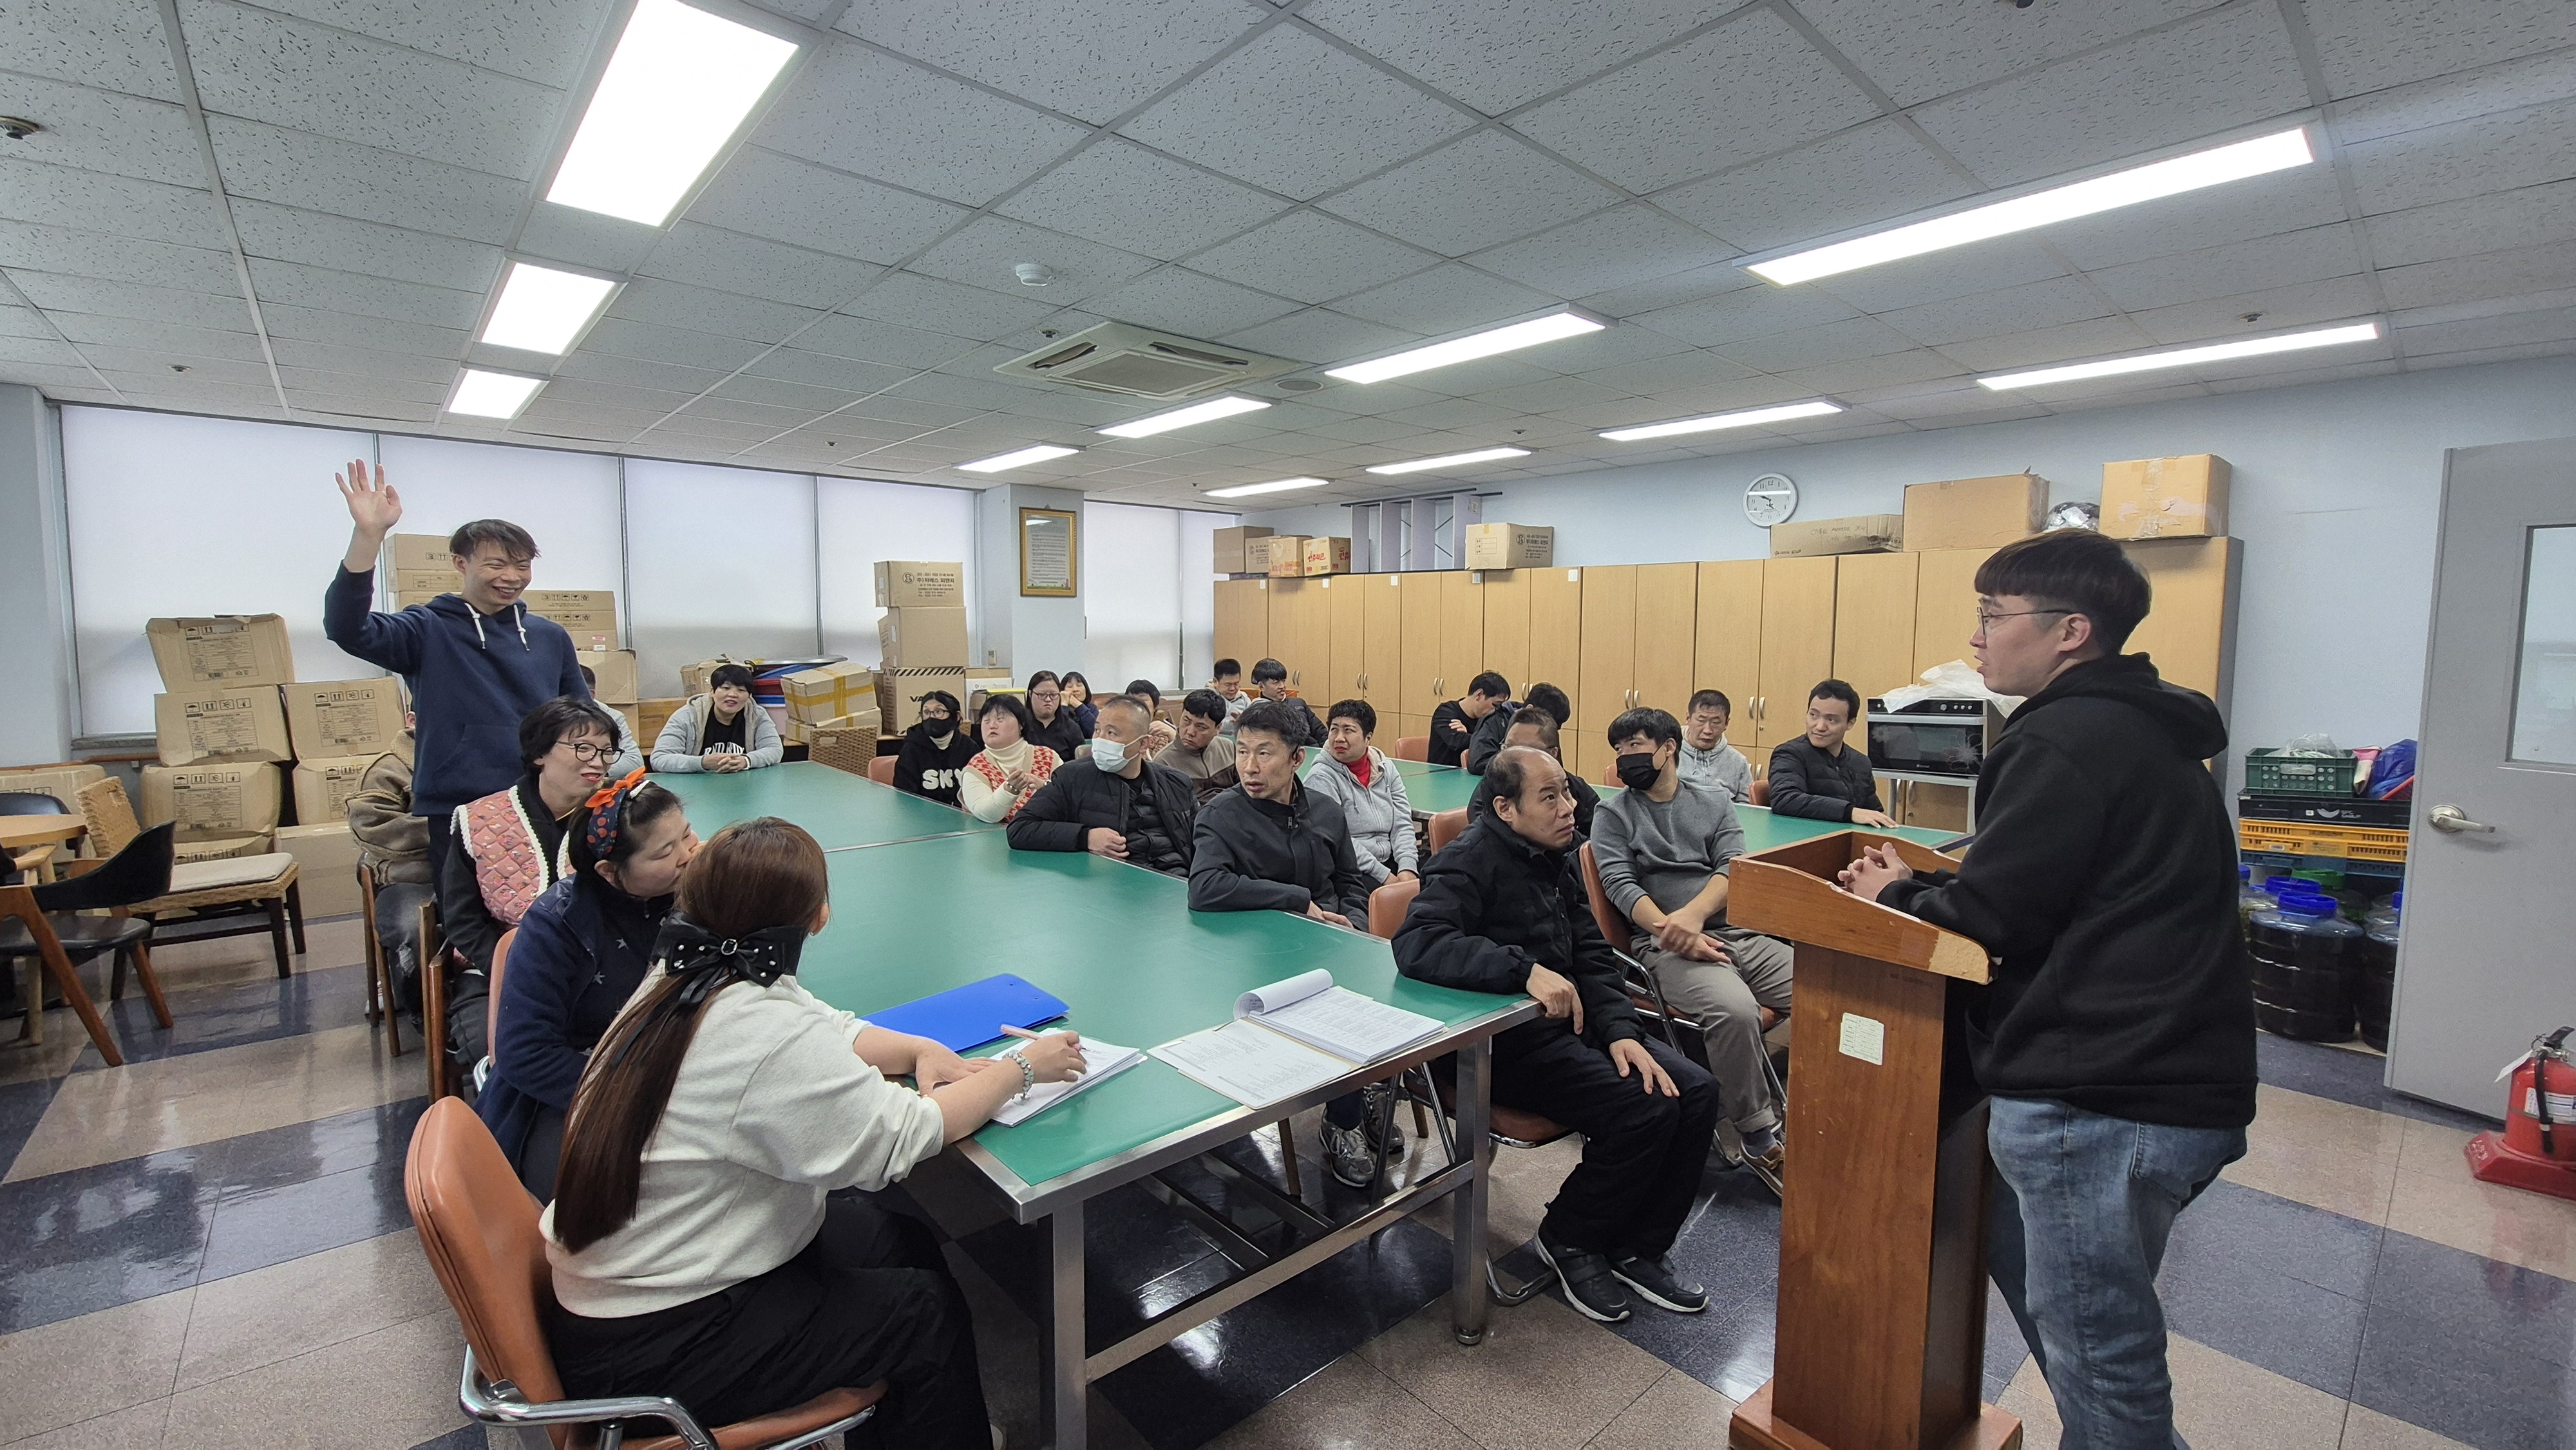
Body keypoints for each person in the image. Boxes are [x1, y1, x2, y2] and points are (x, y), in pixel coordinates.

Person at [1839, 529, 2254, 1449]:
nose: (1976, 638)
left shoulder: (2065, 737)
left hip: (2103, 1092)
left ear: (2071, 631)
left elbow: (1992, 915)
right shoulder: (2143, 728)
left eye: (1993, 617)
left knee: (2105, 1363)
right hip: (2162, 1073)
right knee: (2053, 1294)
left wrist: (1891, 895)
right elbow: (2056, 884)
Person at [544, 817, 1087, 1449]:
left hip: (638, 1284)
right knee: (922, 1314)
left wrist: (918, 1049)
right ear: (819, 917)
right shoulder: (760, 1032)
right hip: (660, 1342)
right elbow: (904, 1134)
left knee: (897, 1235)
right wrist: (1020, 1069)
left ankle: (922, 1422)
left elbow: (826, 1023)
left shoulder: (687, 974)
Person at [1394, 746, 1720, 1323]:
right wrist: (1522, 969)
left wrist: (1621, 1032)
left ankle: (1637, 1247)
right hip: (1502, 1045)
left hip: (1569, 1027)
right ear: (1506, 808)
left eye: (1567, 791)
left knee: (1695, 1092)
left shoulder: (1555, 856)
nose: (1569, 807)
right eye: (1550, 797)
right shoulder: (1467, 860)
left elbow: (1592, 953)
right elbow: (1418, 943)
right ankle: (1569, 1236)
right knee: (1642, 1108)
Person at [323, 462, 592, 895]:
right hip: (457, 808)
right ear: (460, 563)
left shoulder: (549, 636)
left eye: (522, 565)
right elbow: (346, 628)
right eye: (496, 564)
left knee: (553, 910)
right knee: (467, 918)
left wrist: (588, 779)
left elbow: (581, 719)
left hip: (545, 802)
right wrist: (368, 537)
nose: (512, 577)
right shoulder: (426, 629)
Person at [1594, 707, 1795, 1188]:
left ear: (1669, 747)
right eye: (1619, 749)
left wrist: (1694, 917)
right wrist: (1674, 930)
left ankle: (1828, 1107)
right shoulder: (1613, 814)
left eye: (1635, 746)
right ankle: (1758, 1136)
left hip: (1734, 933)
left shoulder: (1713, 800)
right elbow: (1620, 885)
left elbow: (1733, 866)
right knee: (1736, 1011)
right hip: (1663, 947)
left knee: (1831, 991)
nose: (1625, 758)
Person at [478, 771, 697, 1198]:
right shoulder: (557, 925)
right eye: (664, 852)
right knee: (610, 1198)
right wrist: (639, 1093)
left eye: (687, 835)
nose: (688, 855)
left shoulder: (692, 895)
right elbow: (525, 1054)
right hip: (574, 1090)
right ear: (610, 872)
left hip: (672, 1074)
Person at [1189, 699, 1379, 1185]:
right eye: (1243, 751)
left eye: (1265, 753)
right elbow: (1205, 888)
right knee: (1333, 1013)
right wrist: (1296, 900)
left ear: (1297, 759)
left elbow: (1350, 880)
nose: (1250, 767)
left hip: (1331, 947)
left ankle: (1362, 1097)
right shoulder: (1222, 815)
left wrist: (1356, 925)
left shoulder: (1327, 811)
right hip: (1259, 959)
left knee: (1374, 999)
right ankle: (1347, 1119)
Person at [440, 697, 620, 1073]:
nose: (598, 762)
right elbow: (462, 919)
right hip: (497, 970)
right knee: (501, 1053)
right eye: (583, 748)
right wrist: (514, 969)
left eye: (606, 751)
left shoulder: (620, 813)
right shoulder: (479, 819)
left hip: (599, 968)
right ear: (539, 754)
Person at [1007, 696, 1197, 876]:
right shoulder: (1072, 778)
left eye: (1112, 733)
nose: (1101, 740)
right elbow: (1020, 829)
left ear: (1143, 744)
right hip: (1117, 881)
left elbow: (1200, 839)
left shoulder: (1177, 783)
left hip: (1179, 880)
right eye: (1097, 730)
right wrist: (1085, 837)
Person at [348, 708, 433, 1026]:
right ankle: (424, 1013)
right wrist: (446, 828)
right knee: (413, 929)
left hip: (476, 873)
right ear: (412, 720)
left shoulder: (475, 755)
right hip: (412, 878)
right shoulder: (389, 768)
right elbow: (370, 825)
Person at [1301, 699, 1417, 890]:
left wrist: (1407, 868)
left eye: (1348, 730)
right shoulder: (1321, 777)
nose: (1339, 738)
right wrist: (1386, 877)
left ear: (1368, 738)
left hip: (1389, 859)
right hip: (1350, 868)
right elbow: (1339, 840)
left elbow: (1402, 821)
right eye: (1334, 729)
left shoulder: (1386, 768)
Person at [1766, 680, 1899, 827]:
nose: (1820, 726)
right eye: (1813, 715)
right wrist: (1849, 812)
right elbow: (1785, 799)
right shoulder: (1789, 754)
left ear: (1850, 723)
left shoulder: (1860, 763)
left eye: (1831, 720)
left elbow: (1872, 813)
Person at [1467, 708, 1600, 838]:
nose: (1512, 757)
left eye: (1527, 750)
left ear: (1553, 753)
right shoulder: (1490, 793)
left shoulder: (1575, 787)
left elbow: (1600, 831)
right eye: (1507, 748)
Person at [649, 663, 782, 774]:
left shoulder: (757, 715)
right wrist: (702, 763)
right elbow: (660, 759)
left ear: (749, 696)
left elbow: (775, 750)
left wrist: (746, 761)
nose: (733, 694)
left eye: (741, 690)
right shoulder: (687, 716)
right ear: (712, 692)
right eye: (726, 688)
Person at [959, 693, 1060, 824]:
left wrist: (1046, 787)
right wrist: (1010, 789)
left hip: (1050, 831)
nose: (992, 725)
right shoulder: (976, 767)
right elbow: (985, 813)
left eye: (1000, 719)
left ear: (1021, 724)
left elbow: (1071, 797)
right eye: (986, 720)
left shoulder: (1048, 757)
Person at [893, 690, 976, 806]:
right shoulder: (911, 749)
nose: (932, 717)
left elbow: (977, 792)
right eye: (926, 713)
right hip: (921, 815)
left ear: (956, 716)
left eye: (938, 712)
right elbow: (904, 797)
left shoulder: (969, 748)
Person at [1157, 689, 1241, 803]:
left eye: (1201, 727)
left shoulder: (1228, 748)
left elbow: (1244, 789)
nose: (1190, 732)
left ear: (1218, 728)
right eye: (1186, 721)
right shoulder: (1164, 762)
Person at [1467, 683, 1569, 775]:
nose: (1548, 727)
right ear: (1530, 709)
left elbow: (1558, 770)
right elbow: (1478, 763)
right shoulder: (1497, 721)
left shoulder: (1547, 730)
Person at [1677, 690, 1754, 803]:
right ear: (1688, 718)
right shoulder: (1668, 754)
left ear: (1726, 723)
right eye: (1701, 720)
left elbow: (1747, 806)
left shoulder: (1738, 761)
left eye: (1715, 723)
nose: (1707, 730)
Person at [1430, 673, 1510, 769]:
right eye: (1496, 704)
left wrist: (1469, 735)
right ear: (1479, 695)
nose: (1498, 709)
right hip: (1443, 772)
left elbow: (1500, 742)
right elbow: (1456, 742)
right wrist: (1479, 738)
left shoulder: (1489, 718)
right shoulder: (1445, 712)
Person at [1248, 657, 1323, 744]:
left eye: (1283, 681)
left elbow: (1320, 731)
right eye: (1276, 682)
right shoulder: (1257, 712)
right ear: (1262, 686)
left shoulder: (1299, 703)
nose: (1282, 686)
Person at [1023, 670, 1086, 760]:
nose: (1048, 699)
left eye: (1053, 695)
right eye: (1042, 695)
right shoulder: (1020, 725)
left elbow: (1079, 764)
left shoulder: (1072, 728)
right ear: (1030, 694)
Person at [1123, 679, 1179, 755]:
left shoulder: (1165, 732)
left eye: (1142, 700)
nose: (1137, 705)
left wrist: (1173, 734)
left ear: (1155, 706)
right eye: (1132, 700)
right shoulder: (1119, 731)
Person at [1210, 659, 1254, 736]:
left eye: (1236, 684)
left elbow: (1253, 721)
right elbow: (1210, 725)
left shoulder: (1244, 697)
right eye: (1228, 685)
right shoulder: (1208, 698)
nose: (1233, 688)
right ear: (1215, 681)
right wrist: (1240, 723)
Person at [1059, 671, 1099, 738]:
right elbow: (1060, 732)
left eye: (1079, 685)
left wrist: (1079, 706)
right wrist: (1064, 706)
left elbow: (1095, 732)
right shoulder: (1056, 711)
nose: (1075, 689)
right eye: (1070, 686)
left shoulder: (1093, 710)